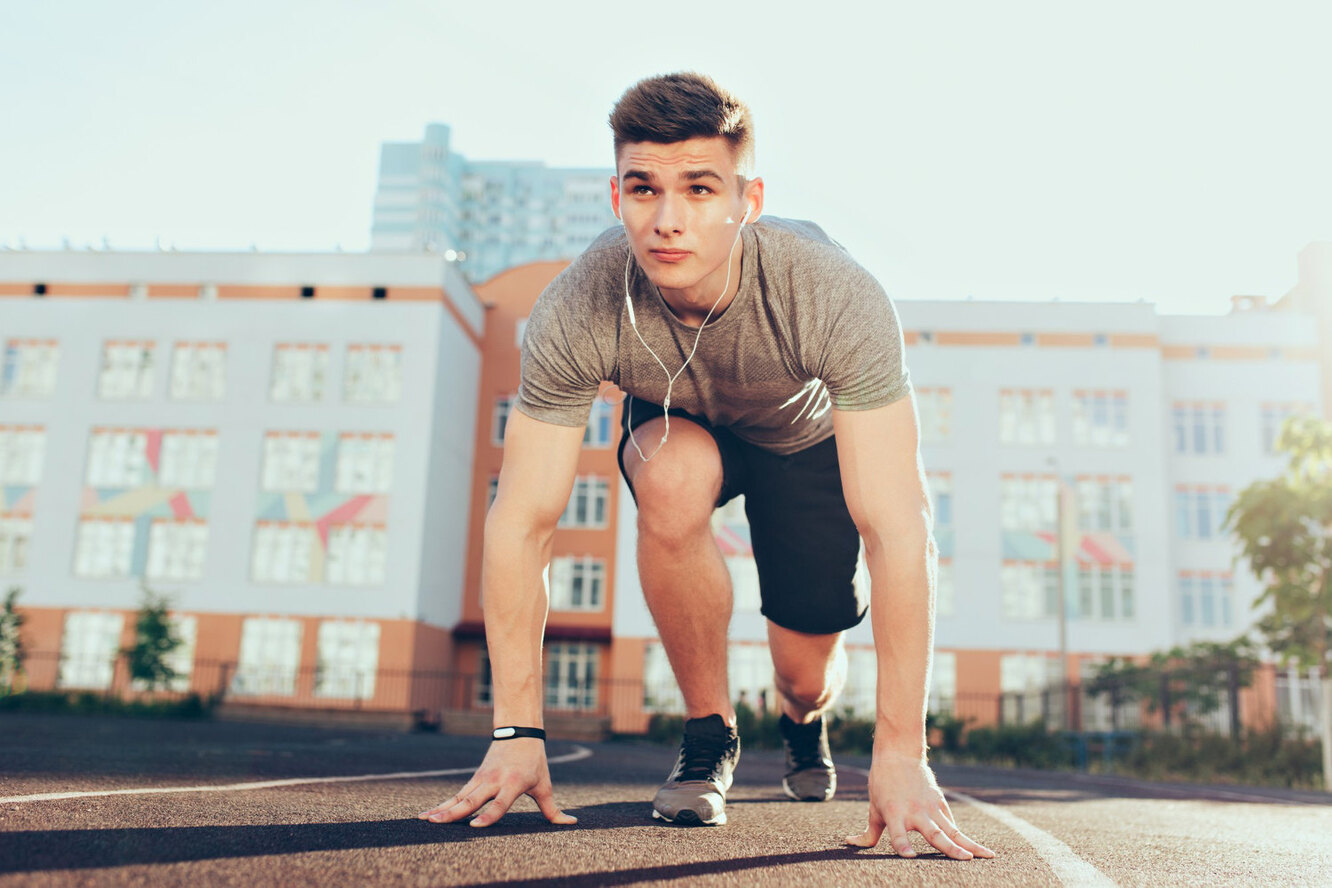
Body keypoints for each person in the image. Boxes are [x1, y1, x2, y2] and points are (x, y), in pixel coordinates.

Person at [419, 72, 994, 861]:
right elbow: (522, 519)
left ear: (747, 200)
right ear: (615, 196)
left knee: (804, 674)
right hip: (679, 425)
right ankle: (709, 732)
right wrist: (517, 731)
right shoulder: (579, 305)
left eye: (698, 188)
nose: (667, 219)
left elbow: (900, 527)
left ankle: (801, 722)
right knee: (668, 478)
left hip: (804, 443)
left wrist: (901, 753)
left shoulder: (830, 291)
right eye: (643, 188)